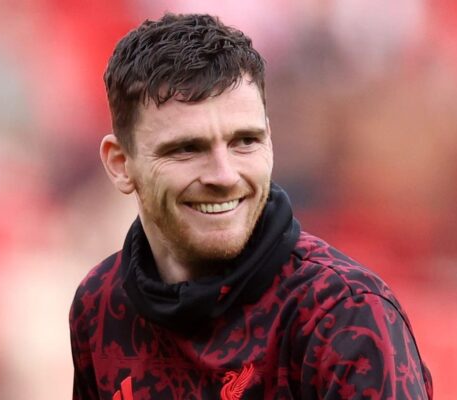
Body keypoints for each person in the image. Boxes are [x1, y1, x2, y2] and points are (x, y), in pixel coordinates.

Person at [69, 13, 433, 399]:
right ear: (120, 164)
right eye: (187, 149)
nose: (224, 175)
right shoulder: (100, 307)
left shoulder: (345, 316)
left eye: (245, 141)